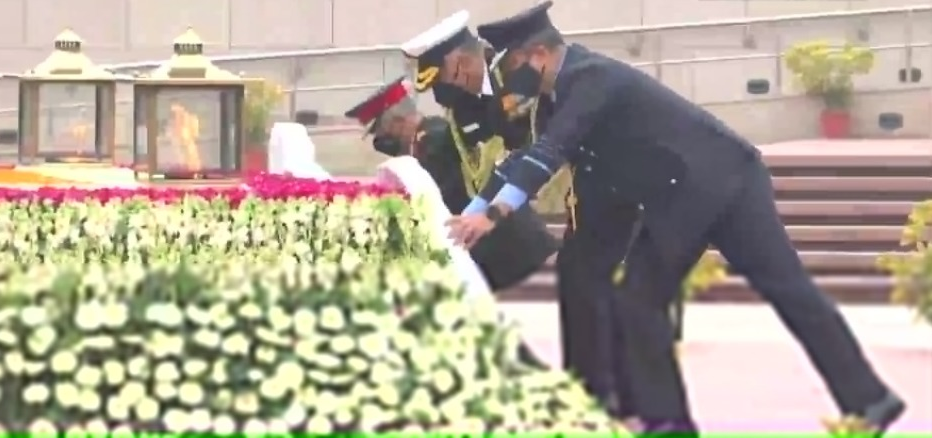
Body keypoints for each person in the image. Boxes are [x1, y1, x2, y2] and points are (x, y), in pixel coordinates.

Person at [447, 1, 906, 435]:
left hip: (728, 180)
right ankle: (668, 422)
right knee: (639, 300)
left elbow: (551, 151)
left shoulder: (593, 79)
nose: (506, 81)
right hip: (678, 198)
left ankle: (869, 399)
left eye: (509, 68)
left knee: (787, 289)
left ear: (538, 54)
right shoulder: (557, 99)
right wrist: (464, 216)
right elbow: (525, 159)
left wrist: (493, 214)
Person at [399, 9, 629, 413]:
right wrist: (474, 210)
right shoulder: (462, 106)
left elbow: (529, 150)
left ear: (462, 60)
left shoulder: (517, 73)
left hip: (604, 173)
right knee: (577, 281)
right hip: (570, 185)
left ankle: (600, 394)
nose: (447, 91)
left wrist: (488, 211)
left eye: (448, 75)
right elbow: (492, 162)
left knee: (588, 282)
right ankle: (587, 391)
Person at [343, 77, 557, 367]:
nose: (382, 141)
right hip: (494, 248)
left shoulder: (435, 140)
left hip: (509, 247)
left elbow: (444, 200)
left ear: (396, 122)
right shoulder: (427, 140)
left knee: (527, 334)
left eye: (381, 131)